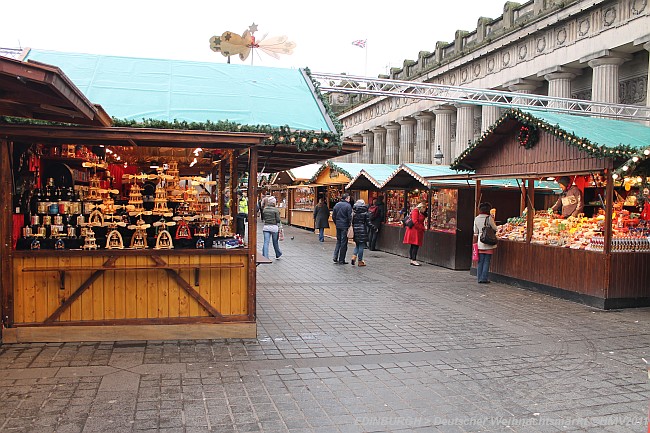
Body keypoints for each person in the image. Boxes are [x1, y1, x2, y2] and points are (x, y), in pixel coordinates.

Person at [473, 202, 497, 283]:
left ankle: (479, 278)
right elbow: (495, 228)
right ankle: (484, 278)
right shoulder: (489, 218)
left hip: (480, 240)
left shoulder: (476, 218)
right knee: (487, 261)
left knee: (480, 261)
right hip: (488, 240)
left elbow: (475, 231)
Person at [350, 199, 375, 267]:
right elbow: (368, 223)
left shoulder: (354, 212)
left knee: (357, 245)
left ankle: (354, 257)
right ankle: (360, 261)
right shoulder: (365, 213)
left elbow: (351, 221)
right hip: (362, 230)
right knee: (361, 246)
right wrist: (374, 228)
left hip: (355, 230)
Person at [331, 193, 353, 264]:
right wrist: (350, 225)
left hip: (338, 226)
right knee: (344, 243)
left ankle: (335, 256)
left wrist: (336, 223)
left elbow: (333, 216)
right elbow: (350, 217)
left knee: (338, 241)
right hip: (345, 226)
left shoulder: (337, 205)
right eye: (349, 198)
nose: (349, 199)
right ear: (346, 198)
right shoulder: (348, 206)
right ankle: (341, 259)